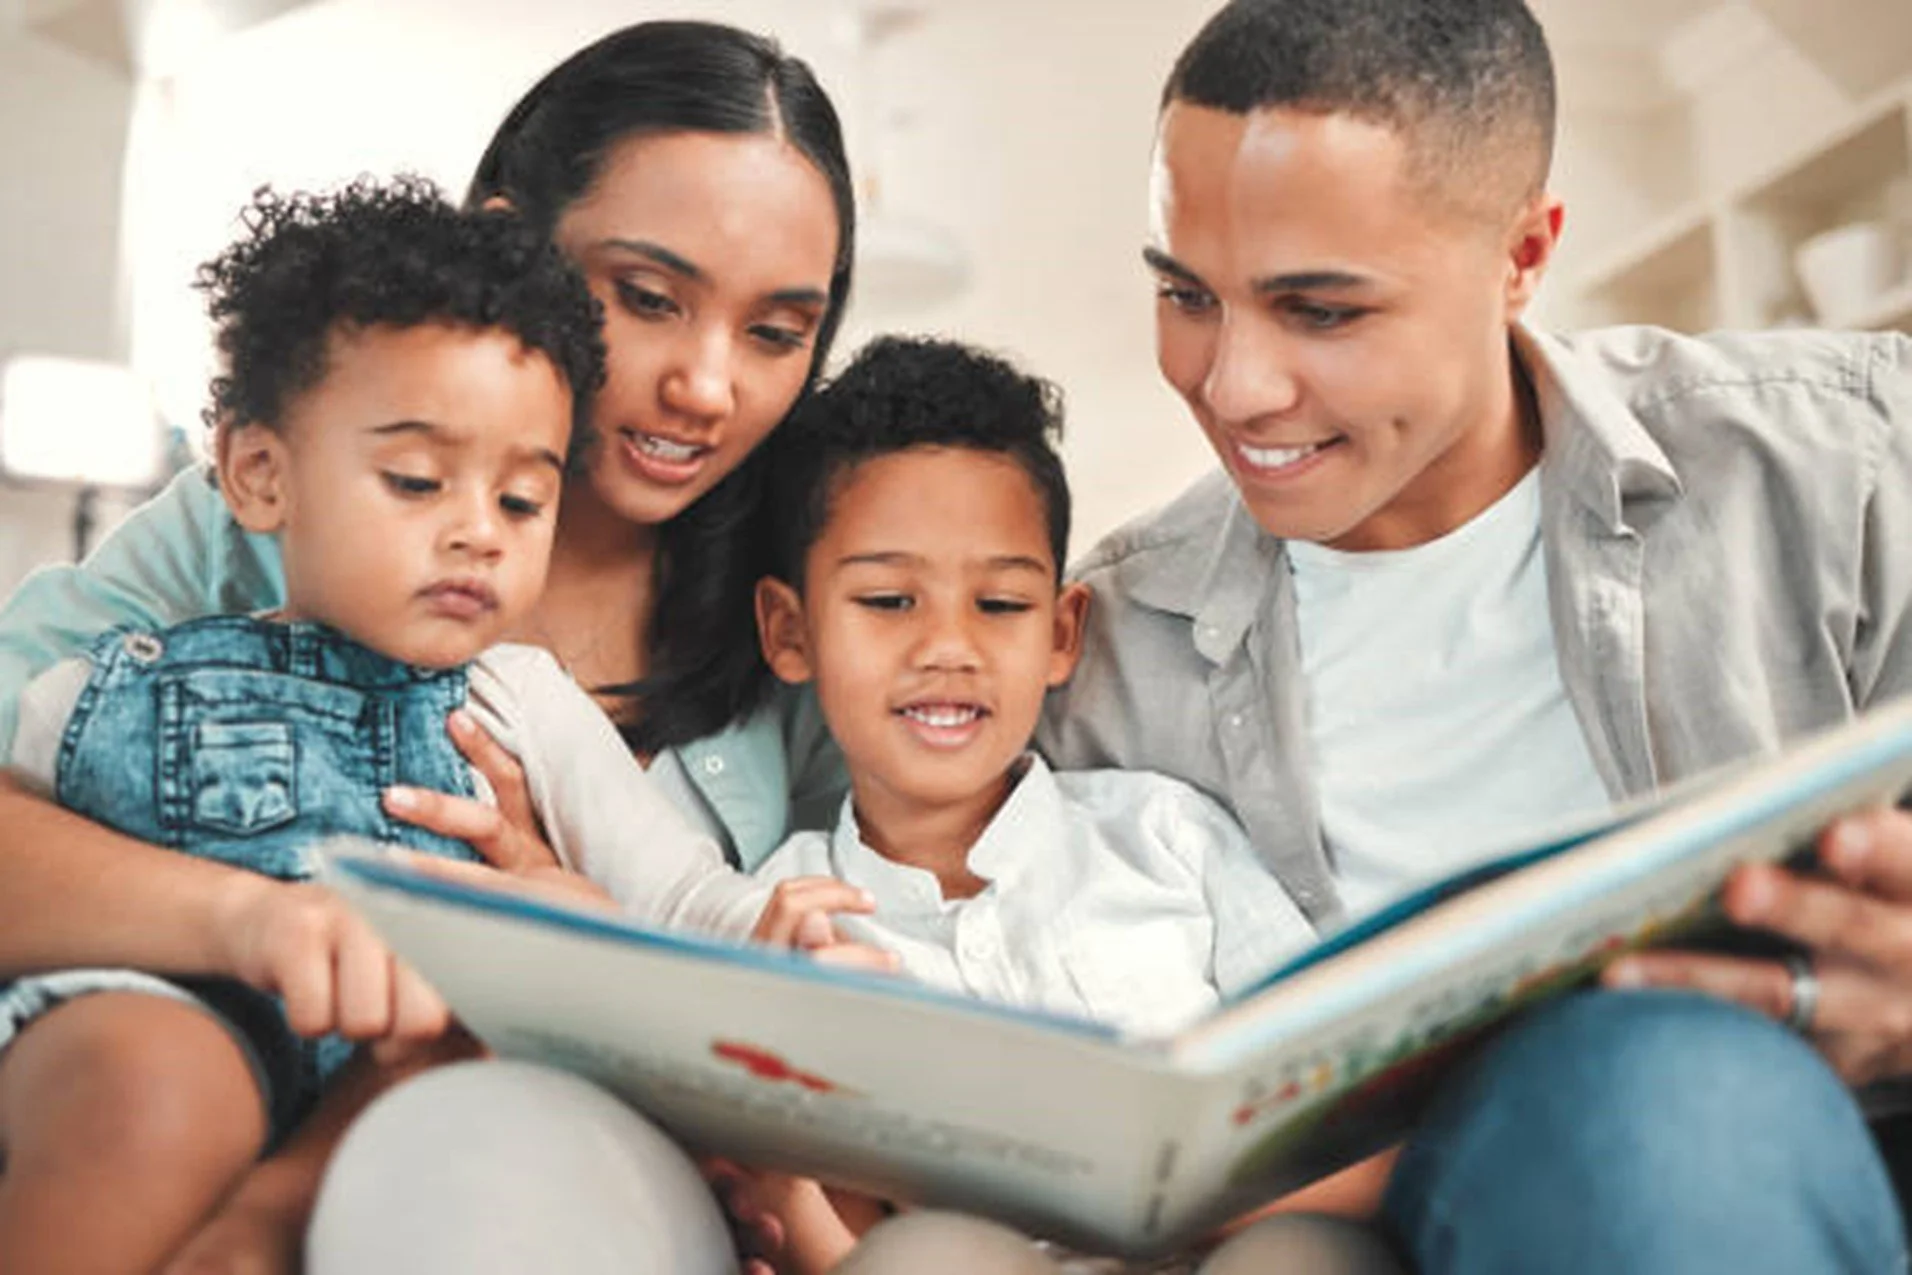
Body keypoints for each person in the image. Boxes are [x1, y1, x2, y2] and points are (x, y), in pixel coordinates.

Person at [1034, 0, 1912, 1270]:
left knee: (1656, 1092)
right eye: (1185, 294)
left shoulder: (1844, 465)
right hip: (1367, 1214)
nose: (1232, 388)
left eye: (1320, 311)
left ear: (1521, 254)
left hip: (1810, 1141)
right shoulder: (1098, 658)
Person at [0, 20, 857, 1271]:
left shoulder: (817, 600)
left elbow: (759, 962)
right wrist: (255, 918)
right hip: (200, 1025)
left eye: (777, 333)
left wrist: (579, 935)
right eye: (649, 300)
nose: (709, 388)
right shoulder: (261, 517)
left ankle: (273, 1213)